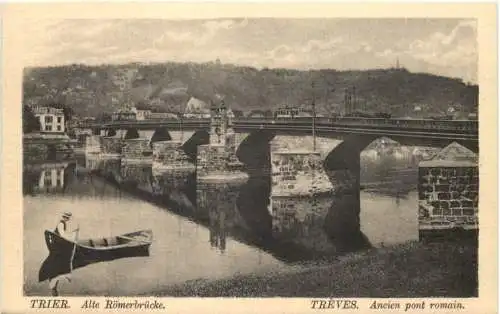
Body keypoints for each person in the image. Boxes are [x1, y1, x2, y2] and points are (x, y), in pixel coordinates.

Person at [49, 212, 79, 296]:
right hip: (56, 244)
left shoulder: (63, 223)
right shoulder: (61, 224)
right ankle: (54, 285)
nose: (67, 219)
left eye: (68, 218)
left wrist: (71, 236)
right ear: (65, 218)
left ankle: (55, 283)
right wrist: (72, 236)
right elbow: (62, 235)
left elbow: (63, 235)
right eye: (67, 218)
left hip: (57, 243)